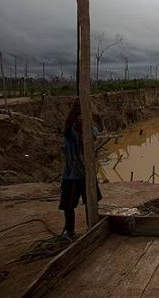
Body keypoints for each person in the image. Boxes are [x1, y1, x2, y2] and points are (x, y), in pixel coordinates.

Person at [58, 98, 101, 239]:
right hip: (71, 175)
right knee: (69, 207)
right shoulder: (69, 133)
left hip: (87, 174)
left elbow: (93, 136)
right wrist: (74, 110)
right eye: (78, 119)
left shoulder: (90, 128)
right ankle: (70, 231)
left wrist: (84, 126)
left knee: (91, 203)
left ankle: (92, 227)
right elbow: (67, 125)